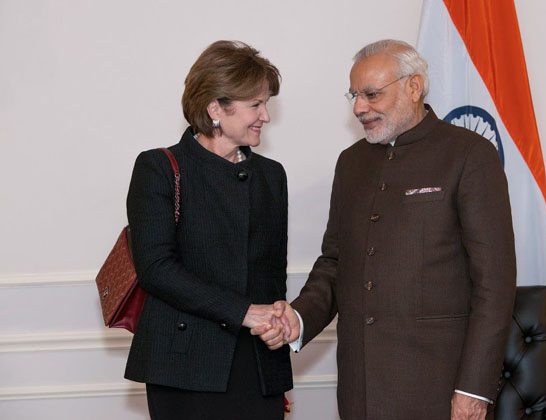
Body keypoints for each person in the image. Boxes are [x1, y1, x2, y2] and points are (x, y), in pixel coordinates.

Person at [255, 39, 517, 419]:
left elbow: (495, 284)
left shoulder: (469, 155)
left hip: (441, 391)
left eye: (372, 94)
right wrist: (297, 319)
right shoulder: (352, 163)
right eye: (354, 95)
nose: (359, 108)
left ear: (413, 87)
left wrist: (473, 389)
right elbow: (335, 264)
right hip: (360, 390)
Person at [124, 40, 292, 420]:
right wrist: (244, 311)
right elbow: (156, 269)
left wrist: (277, 325)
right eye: (256, 104)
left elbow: (272, 274)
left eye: (266, 103)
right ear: (215, 107)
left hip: (258, 365)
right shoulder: (158, 168)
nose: (265, 115)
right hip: (185, 365)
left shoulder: (271, 175)